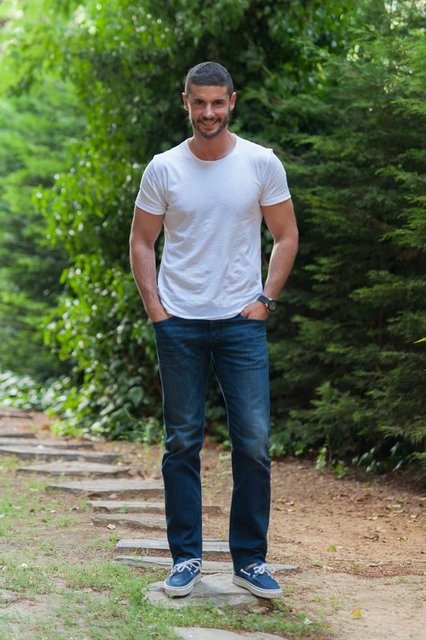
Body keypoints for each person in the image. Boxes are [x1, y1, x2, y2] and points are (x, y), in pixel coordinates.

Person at [129, 61, 298, 599]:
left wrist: (265, 300)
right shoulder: (163, 168)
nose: (209, 113)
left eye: (217, 102)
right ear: (185, 102)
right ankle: (186, 559)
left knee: (253, 443)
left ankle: (249, 561)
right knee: (181, 443)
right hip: (178, 323)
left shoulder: (260, 163)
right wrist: (156, 309)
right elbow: (141, 241)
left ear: (232, 101)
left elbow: (286, 235)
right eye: (199, 103)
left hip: (240, 325)